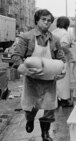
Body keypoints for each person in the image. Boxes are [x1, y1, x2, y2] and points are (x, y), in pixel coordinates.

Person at [11, 9, 66, 141]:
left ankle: (45, 134)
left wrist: (61, 72)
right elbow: (15, 57)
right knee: (30, 107)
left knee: (49, 107)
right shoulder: (26, 37)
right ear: (37, 20)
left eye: (49, 20)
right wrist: (24, 70)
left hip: (49, 80)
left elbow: (61, 59)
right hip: (32, 80)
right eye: (43, 19)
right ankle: (29, 120)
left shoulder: (55, 40)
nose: (46, 22)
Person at [52, 16, 75, 107]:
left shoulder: (53, 32)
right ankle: (65, 101)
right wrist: (70, 55)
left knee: (56, 80)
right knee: (64, 80)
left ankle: (56, 101)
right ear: (67, 25)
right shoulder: (65, 33)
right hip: (62, 59)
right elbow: (63, 45)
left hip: (53, 60)